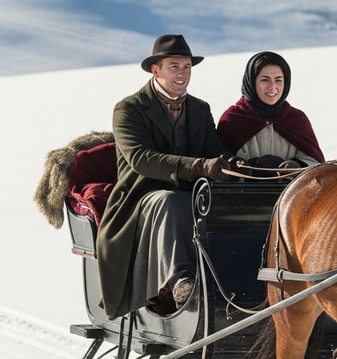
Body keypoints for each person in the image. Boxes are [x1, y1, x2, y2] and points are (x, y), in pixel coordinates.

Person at [96, 34, 237, 319]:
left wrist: (233, 164)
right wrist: (197, 166)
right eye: (174, 66)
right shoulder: (129, 109)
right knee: (169, 201)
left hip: (192, 195)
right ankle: (181, 282)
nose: (183, 73)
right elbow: (140, 159)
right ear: (155, 70)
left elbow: (215, 151)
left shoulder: (200, 109)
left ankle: (235, 282)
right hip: (139, 201)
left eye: (187, 67)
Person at [217, 51, 324, 171]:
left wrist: (298, 166)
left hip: (293, 189)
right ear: (252, 82)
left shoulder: (297, 120)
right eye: (265, 80)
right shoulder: (232, 119)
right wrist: (247, 166)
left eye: (278, 80)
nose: (272, 86)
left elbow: (317, 166)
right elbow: (218, 161)